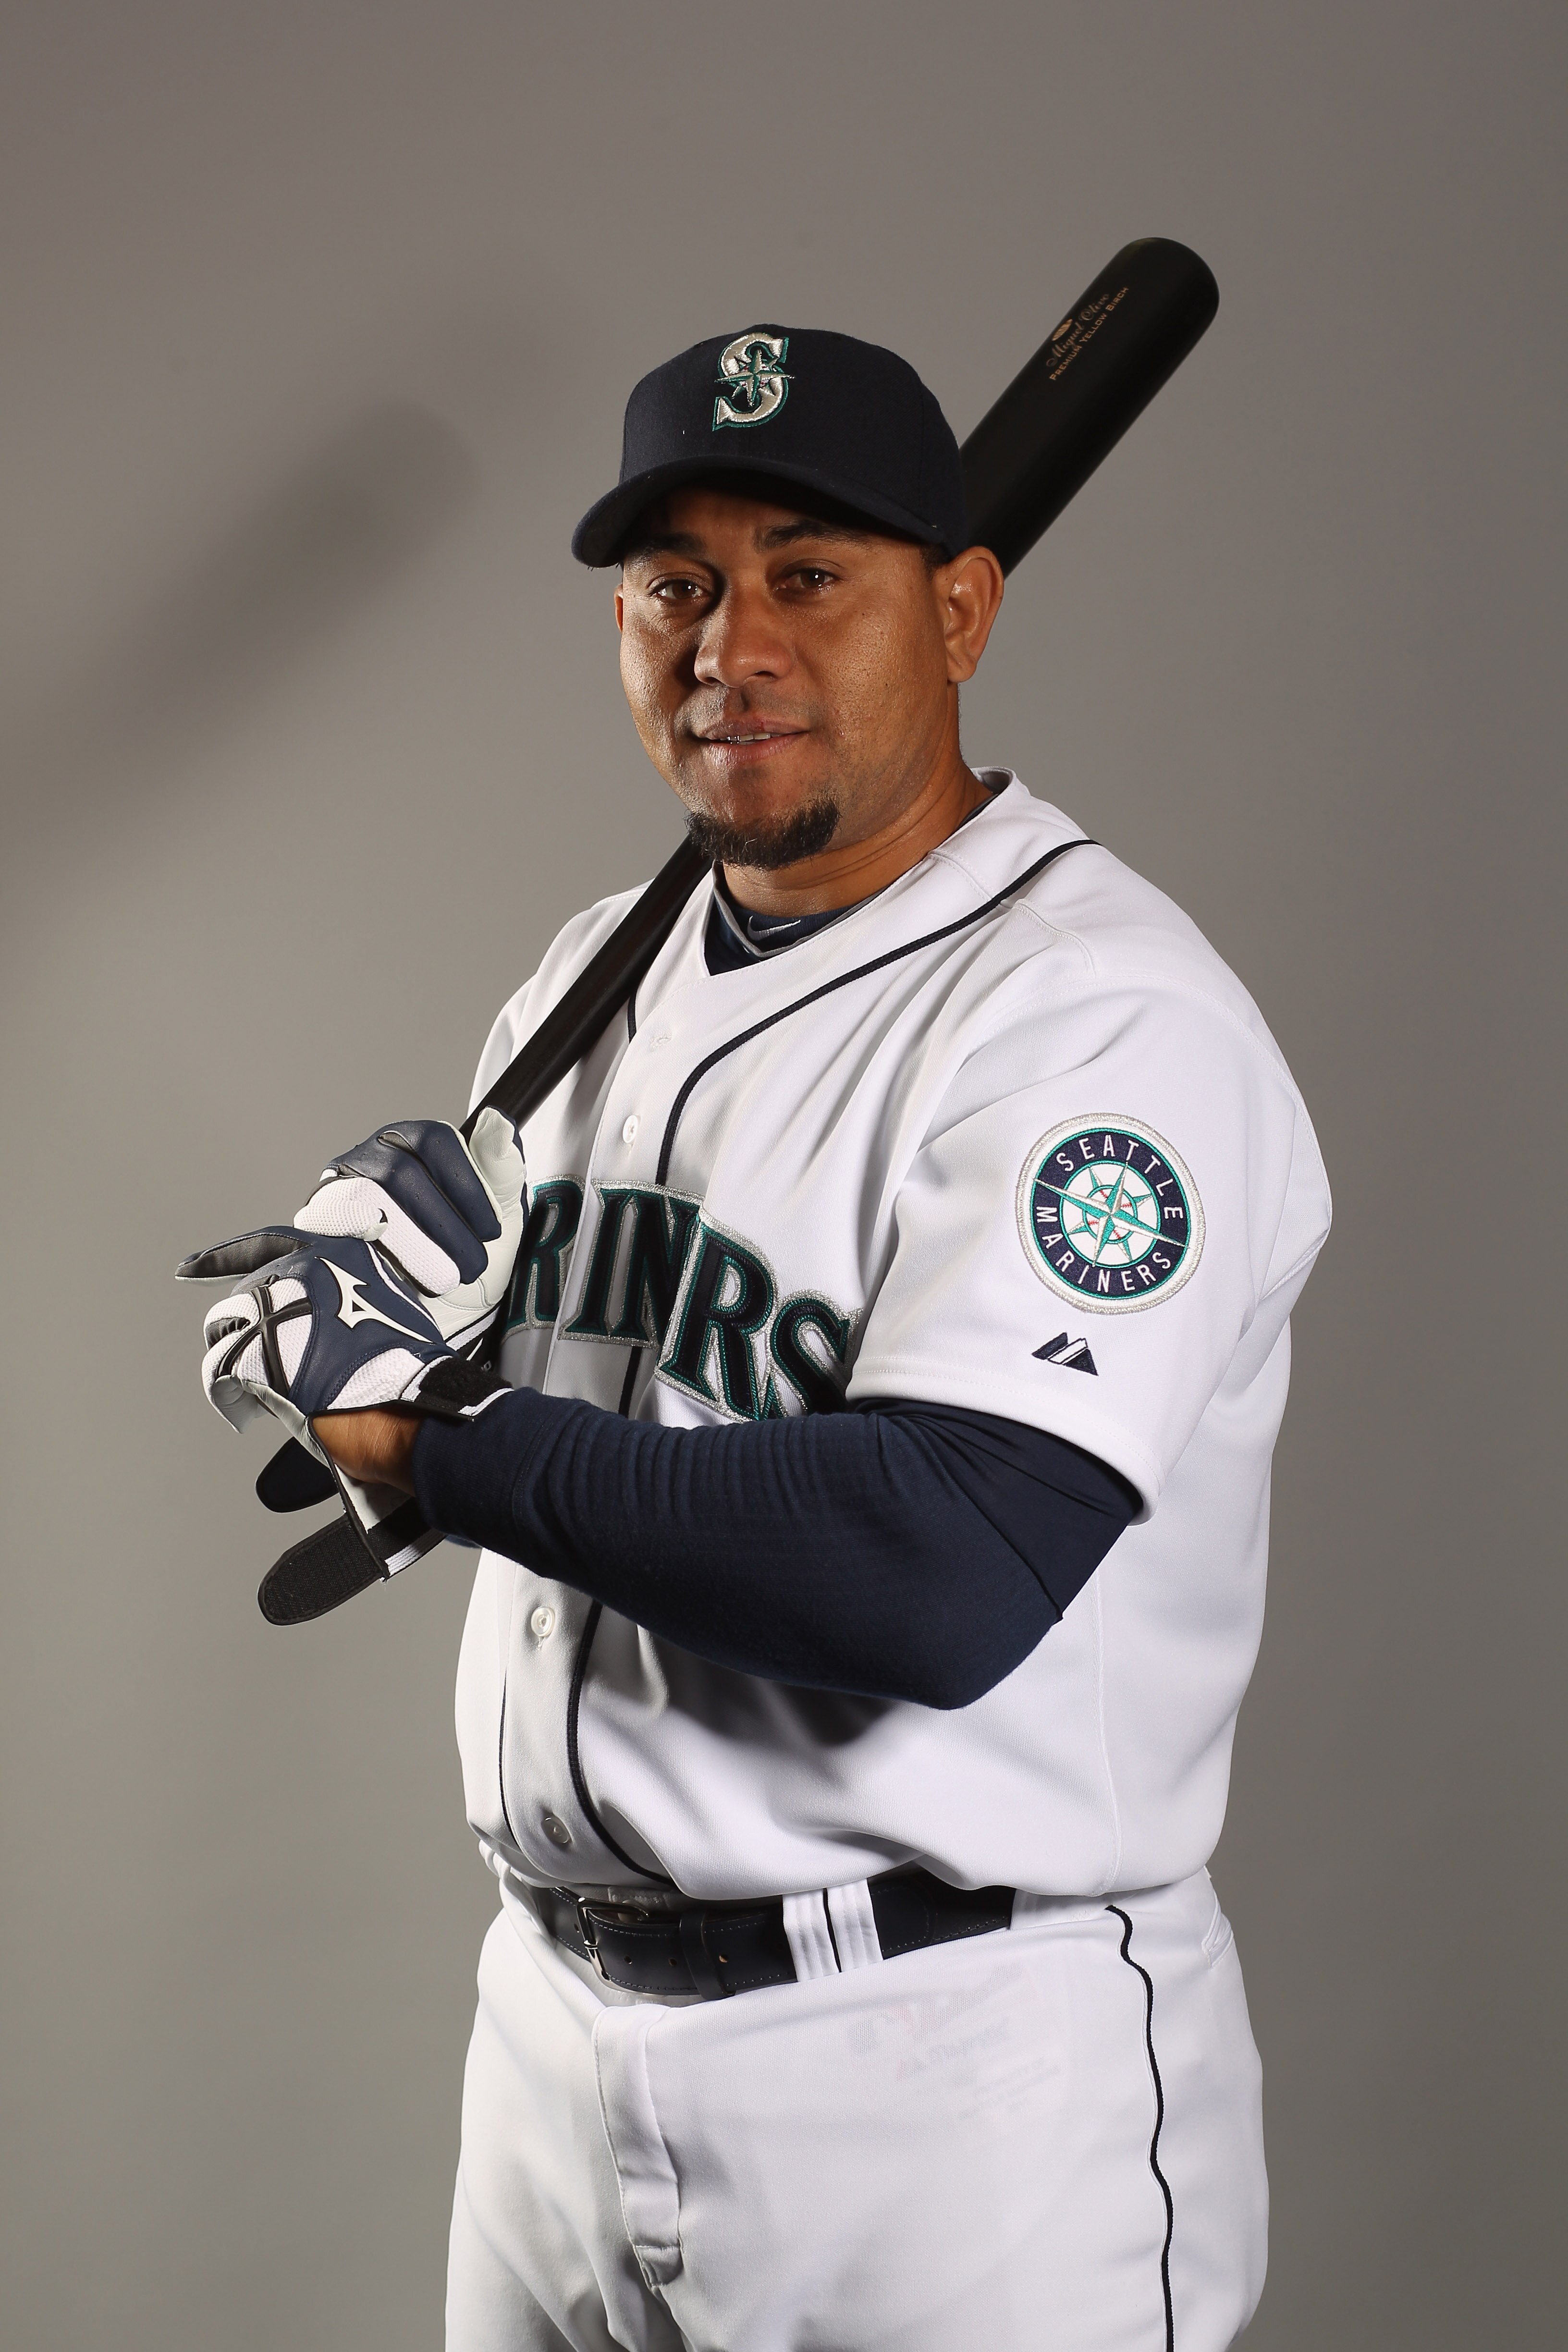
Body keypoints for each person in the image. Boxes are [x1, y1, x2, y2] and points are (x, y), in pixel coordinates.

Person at [197, 326, 1331, 2350]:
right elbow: (593, 1433)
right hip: (552, 2033)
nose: (733, 642)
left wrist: (431, 1453)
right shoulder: (589, 976)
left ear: (963, 605)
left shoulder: (1099, 1025)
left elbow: (939, 1559)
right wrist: (402, 1337)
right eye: (676, 585)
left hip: (946, 2079)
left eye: (812, 572)